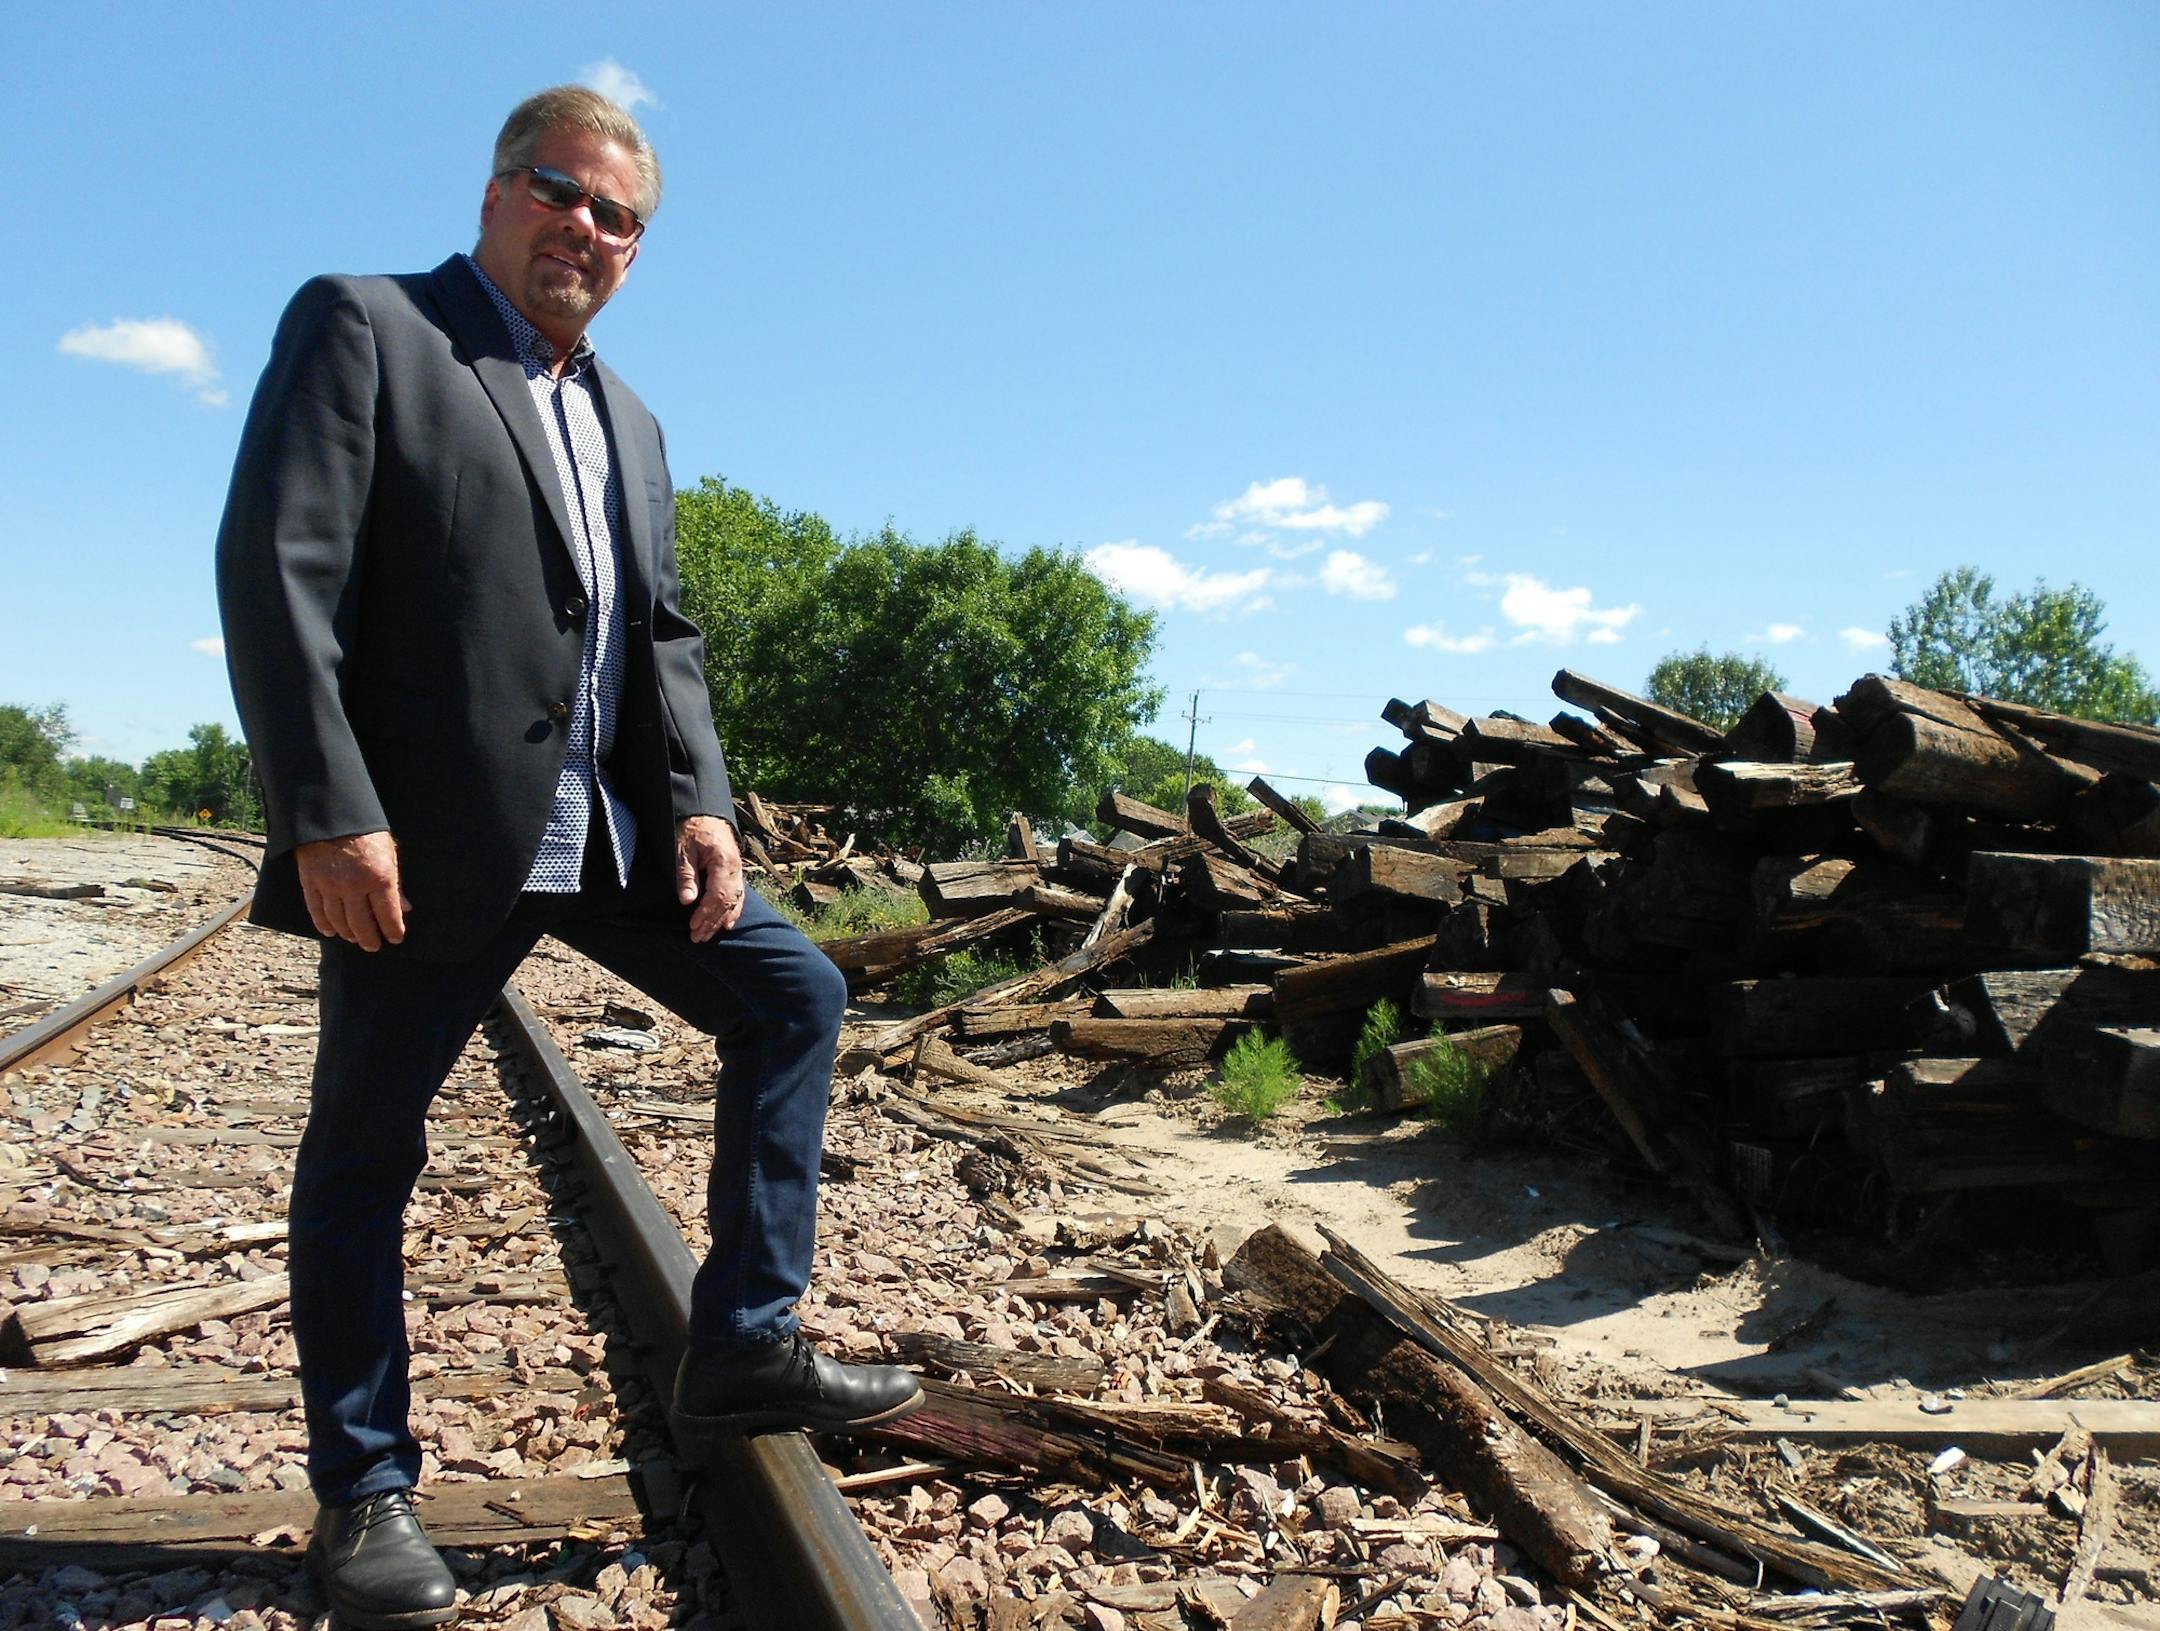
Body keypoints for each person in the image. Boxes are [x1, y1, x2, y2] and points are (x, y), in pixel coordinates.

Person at [216, 87, 920, 1630]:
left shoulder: (630, 416)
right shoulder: (370, 326)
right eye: (565, 195)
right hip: (424, 850)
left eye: (621, 219)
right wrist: (327, 811)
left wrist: (706, 803)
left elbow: (659, 636)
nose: (588, 232)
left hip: (603, 841)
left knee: (792, 993)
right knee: (361, 1162)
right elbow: (282, 571)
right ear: (497, 189)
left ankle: (745, 1338)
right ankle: (365, 1490)